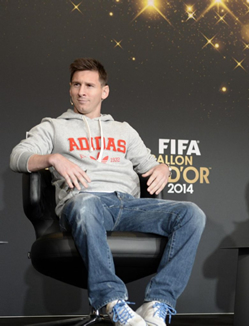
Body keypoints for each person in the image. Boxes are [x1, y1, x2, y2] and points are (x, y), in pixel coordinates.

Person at [10, 58, 206, 326]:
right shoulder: (53, 127)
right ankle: (112, 302)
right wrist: (53, 158)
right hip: (85, 205)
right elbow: (17, 156)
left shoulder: (124, 130)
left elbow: (150, 165)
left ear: (104, 91)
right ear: (69, 89)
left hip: (128, 205)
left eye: (89, 85)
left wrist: (164, 168)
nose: (82, 91)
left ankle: (158, 302)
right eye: (76, 84)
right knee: (85, 203)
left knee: (191, 214)